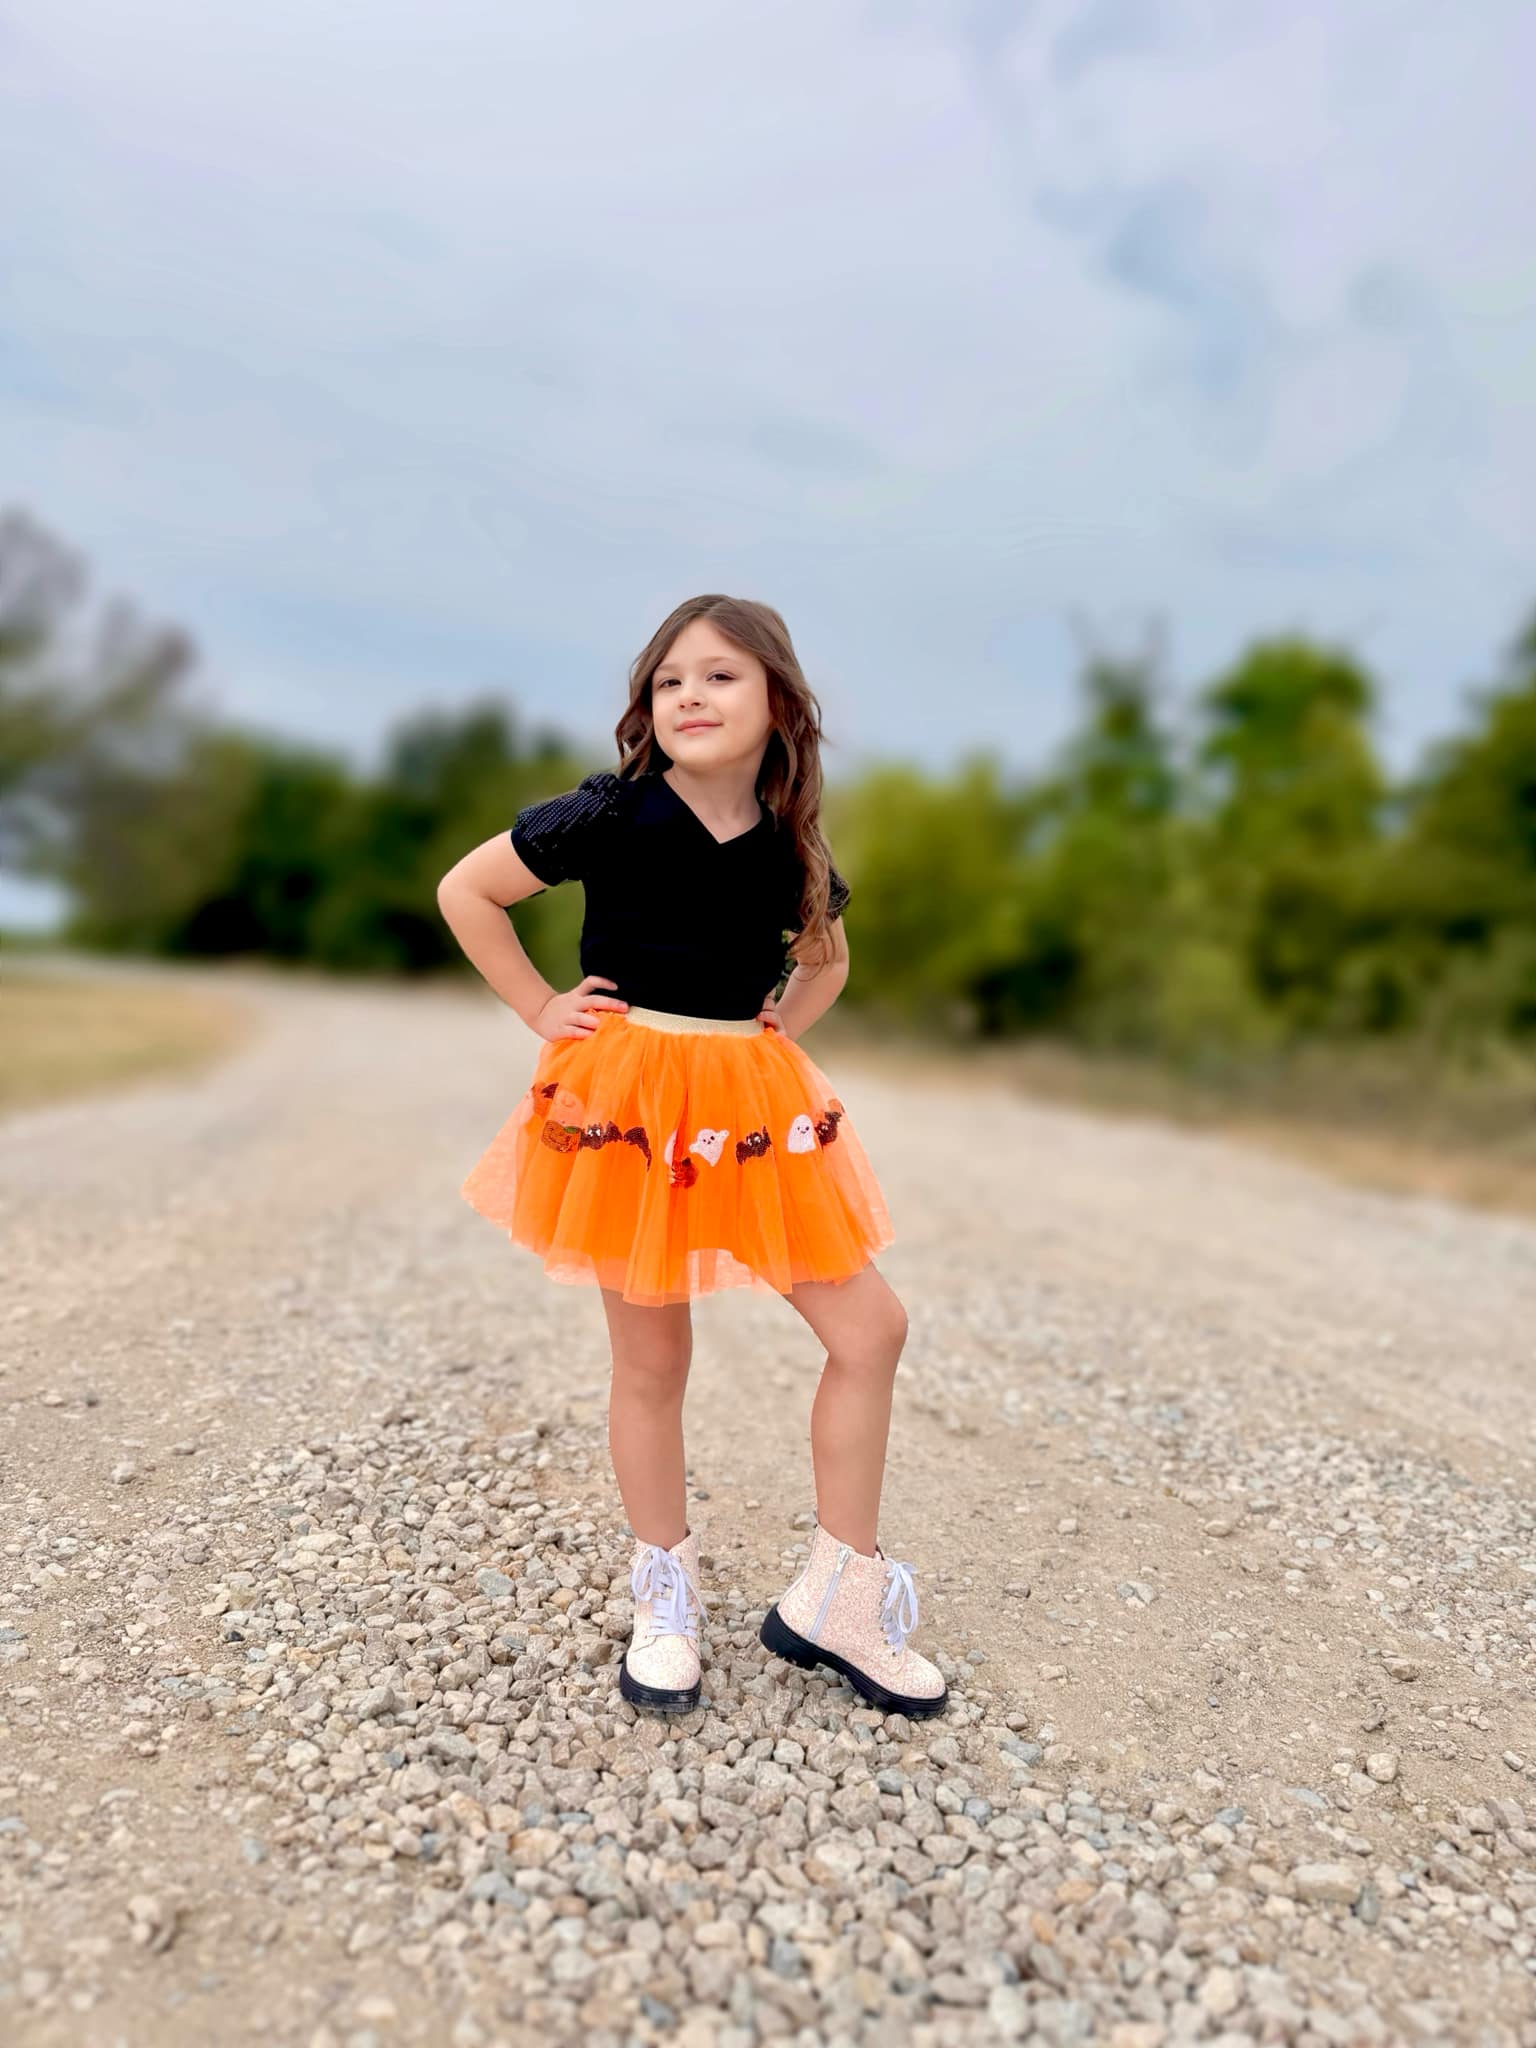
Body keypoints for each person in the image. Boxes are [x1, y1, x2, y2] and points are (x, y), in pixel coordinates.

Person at [437, 595, 947, 1722]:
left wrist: (772, 1039)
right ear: (648, 707)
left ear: (778, 702)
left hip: (745, 1105)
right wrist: (539, 1007)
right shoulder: (610, 813)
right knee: (653, 1357)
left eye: (719, 676)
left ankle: (839, 1596)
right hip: (627, 1101)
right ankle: (665, 1592)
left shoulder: (793, 845)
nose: (691, 697)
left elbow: (825, 960)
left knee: (872, 1327)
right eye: (670, 680)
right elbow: (466, 890)